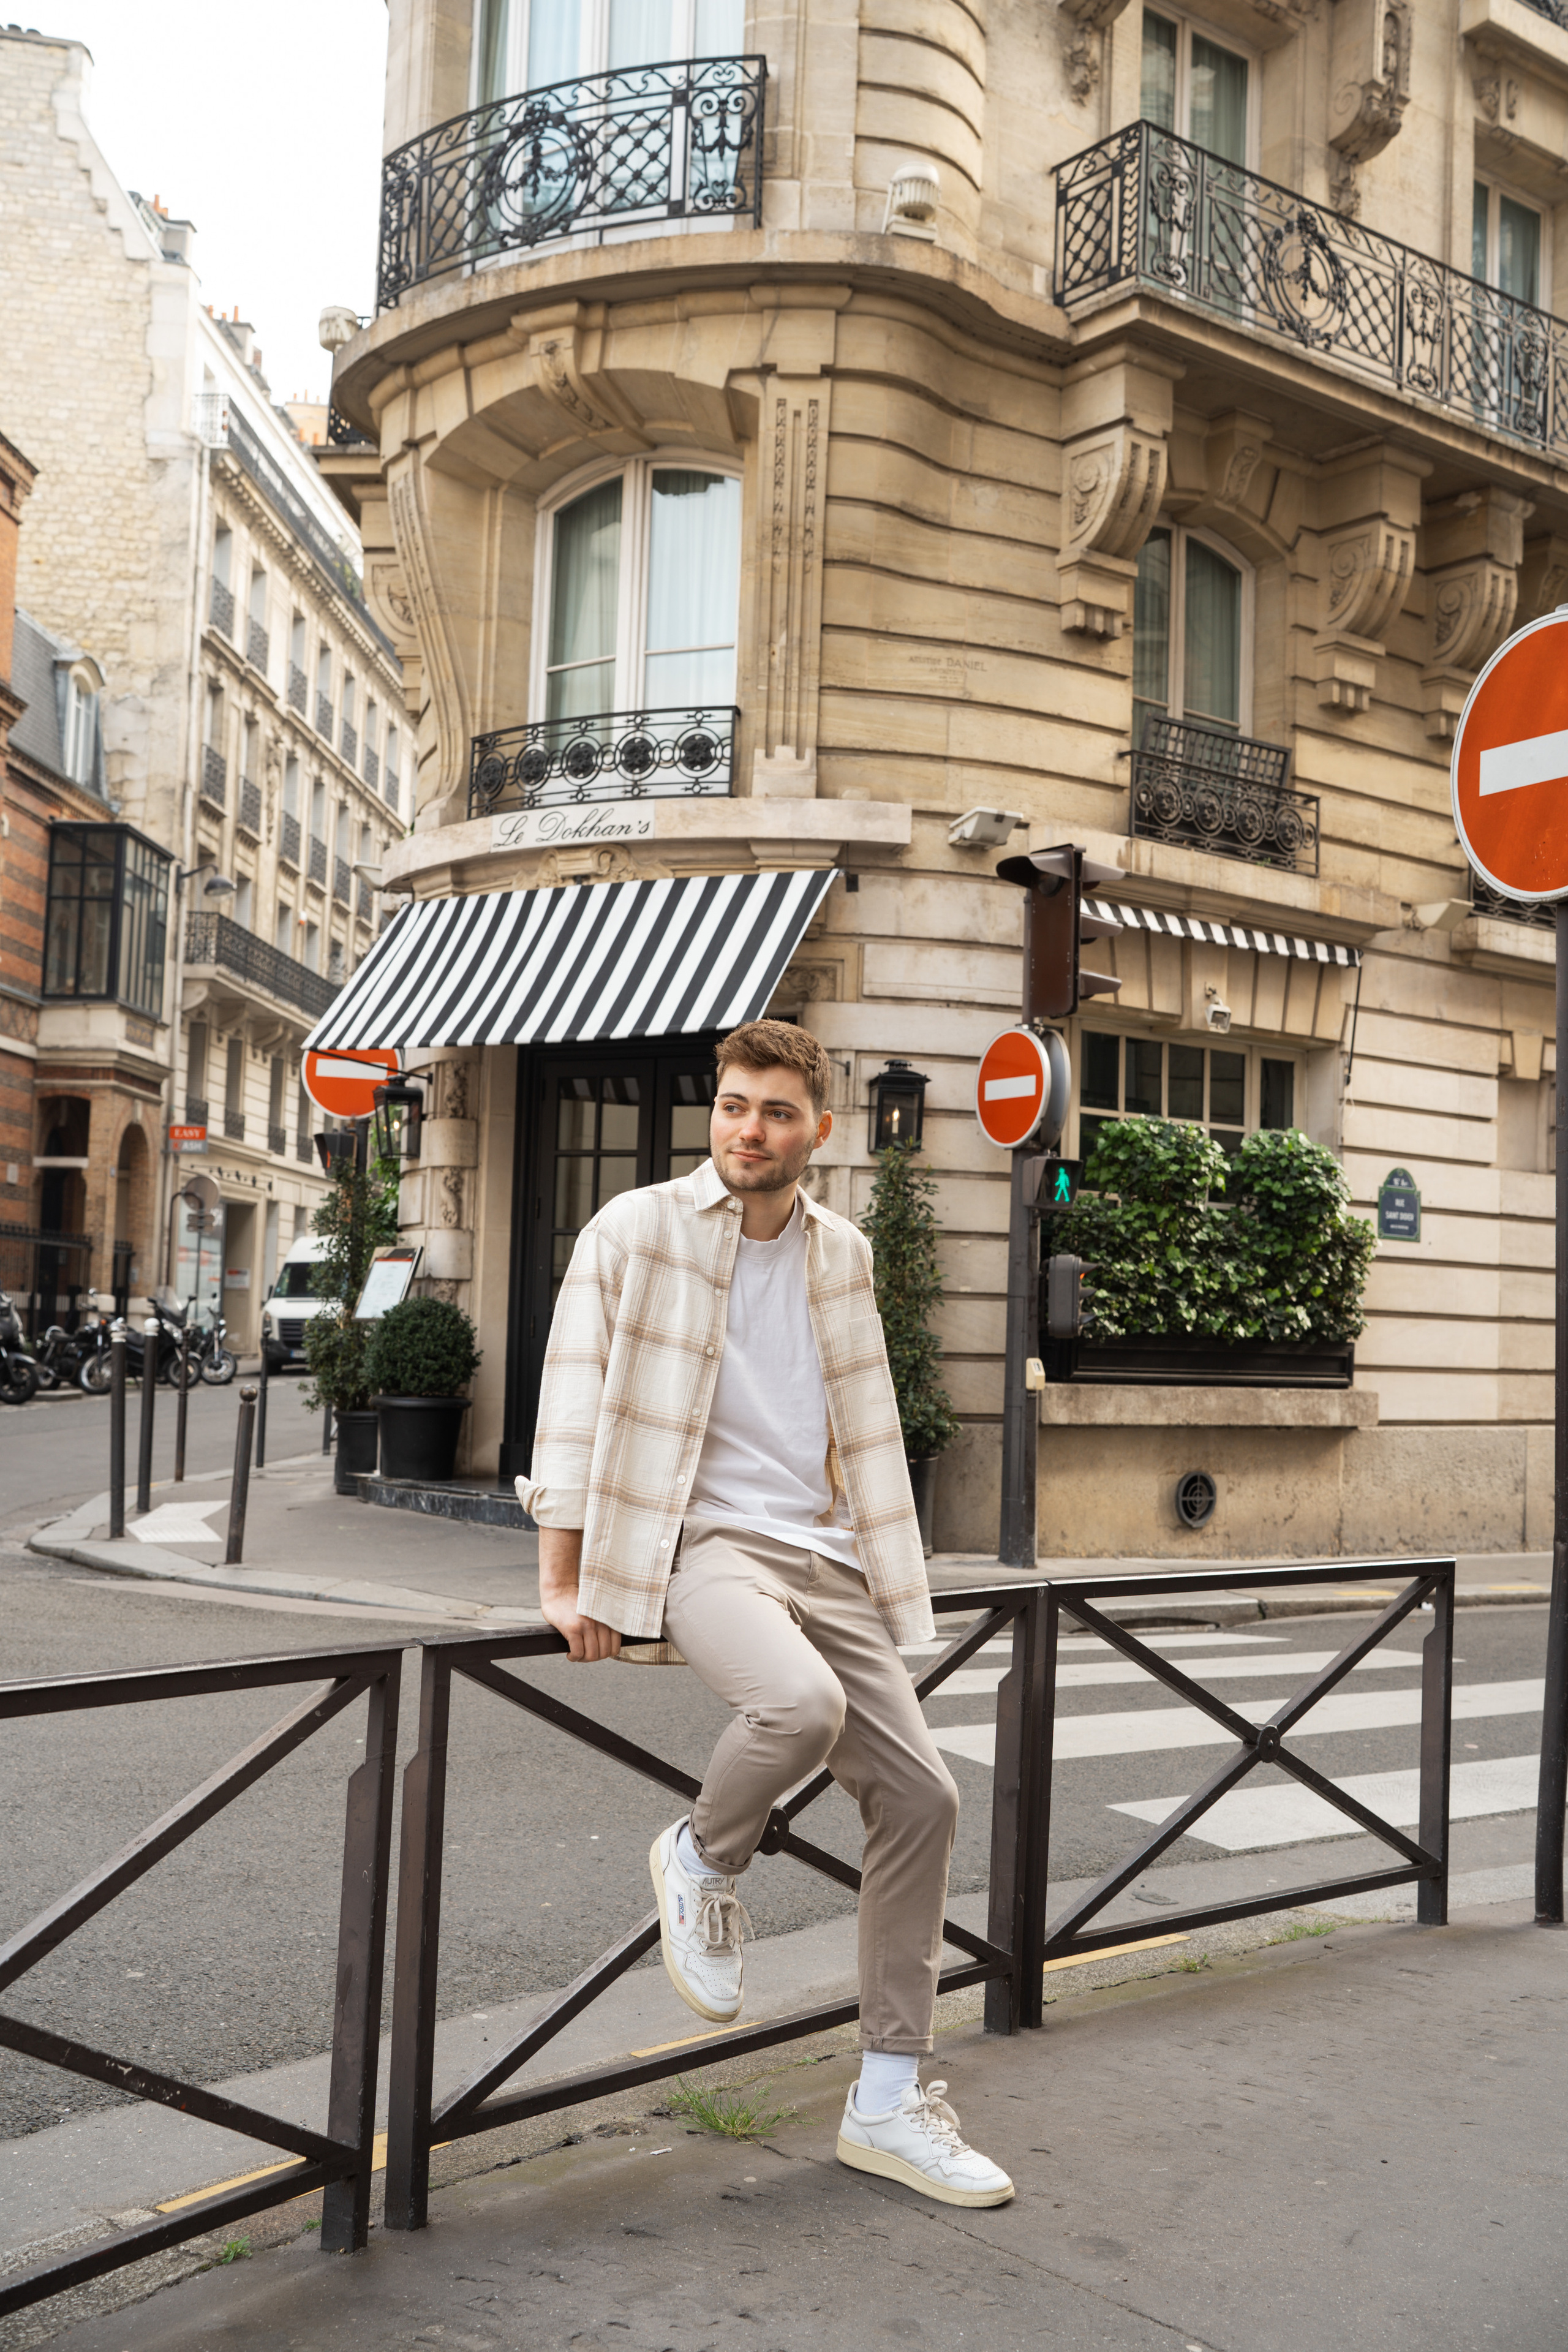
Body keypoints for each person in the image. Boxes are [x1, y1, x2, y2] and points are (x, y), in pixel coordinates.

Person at [519, 1019, 1014, 2208]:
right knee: (795, 1706)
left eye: (777, 1112)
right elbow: (572, 1400)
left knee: (924, 1798)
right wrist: (561, 1575)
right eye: (735, 1105)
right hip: (699, 1538)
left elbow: (861, 1416)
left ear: (817, 1131)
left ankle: (887, 2099)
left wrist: (882, 1563)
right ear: (716, 1111)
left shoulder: (843, 1252)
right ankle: (701, 1859)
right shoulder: (634, 1229)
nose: (750, 1129)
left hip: (825, 1555)